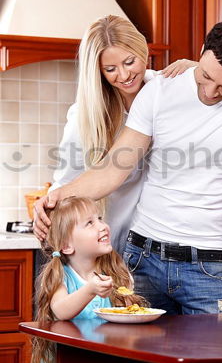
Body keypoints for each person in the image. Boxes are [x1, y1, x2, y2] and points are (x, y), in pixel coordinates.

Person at [34, 20, 222, 315]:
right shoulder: (160, 89)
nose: (210, 92)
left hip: (210, 269)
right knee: (136, 361)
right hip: (142, 259)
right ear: (201, 52)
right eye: (205, 76)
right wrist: (54, 197)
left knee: (215, 359)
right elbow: (113, 171)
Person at [40, 15, 196, 255]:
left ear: (142, 50)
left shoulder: (169, 89)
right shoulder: (85, 115)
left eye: (129, 61)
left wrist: (198, 71)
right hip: (110, 246)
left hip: (167, 246)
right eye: (110, 69)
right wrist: (48, 208)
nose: (123, 75)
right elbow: (66, 182)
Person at [31, 196, 147, 363]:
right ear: (67, 246)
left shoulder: (114, 274)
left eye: (100, 218)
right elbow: (60, 310)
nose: (102, 226)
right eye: (90, 223)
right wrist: (90, 289)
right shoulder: (61, 277)